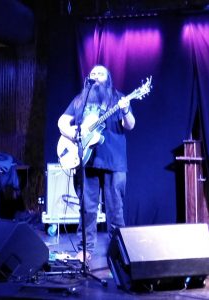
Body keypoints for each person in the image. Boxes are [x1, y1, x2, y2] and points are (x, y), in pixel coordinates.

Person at [57, 65, 135, 262]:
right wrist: (74, 134)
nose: (96, 76)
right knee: (87, 208)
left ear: (108, 78)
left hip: (114, 161)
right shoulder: (80, 100)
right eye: (93, 73)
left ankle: (117, 252)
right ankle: (85, 249)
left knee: (115, 209)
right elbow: (62, 122)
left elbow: (130, 125)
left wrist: (125, 110)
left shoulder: (118, 98)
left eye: (101, 73)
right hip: (87, 160)